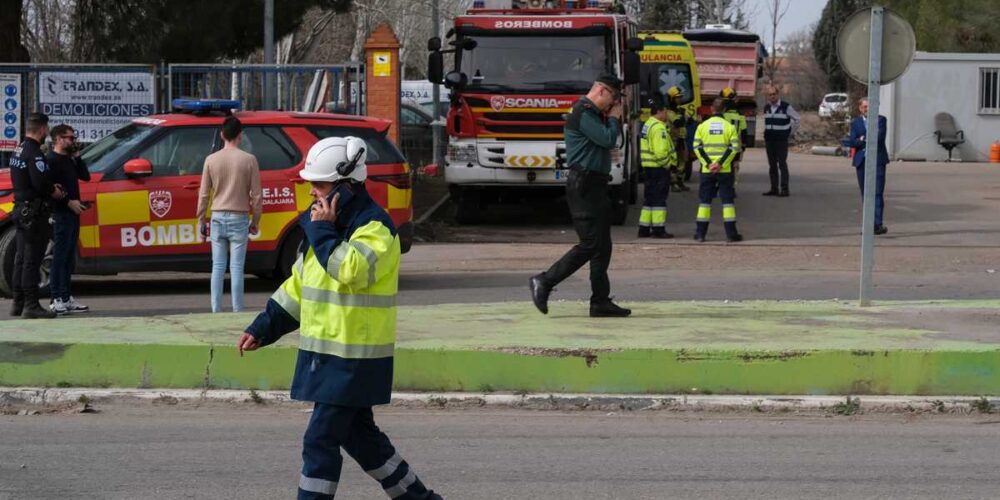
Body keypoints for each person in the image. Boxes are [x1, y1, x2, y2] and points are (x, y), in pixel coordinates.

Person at [237, 137, 443, 500]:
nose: (312, 193)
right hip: (331, 360)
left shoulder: (375, 228)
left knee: (319, 441)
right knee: (364, 442)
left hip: (354, 360)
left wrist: (321, 231)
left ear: (347, 186)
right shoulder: (323, 230)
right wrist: (264, 327)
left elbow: (351, 270)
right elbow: (299, 288)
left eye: (319, 185)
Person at [529, 74, 631, 318]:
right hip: (583, 185)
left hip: (595, 184)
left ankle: (600, 301)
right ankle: (544, 281)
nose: (613, 105)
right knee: (590, 243)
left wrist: (612, 118)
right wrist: (615, 119)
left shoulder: (593, 114)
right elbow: (608, 140)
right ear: (603, 91)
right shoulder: (582, 111)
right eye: (614, 99)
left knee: (602, 246)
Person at [196, 116, 262, 313]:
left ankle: (216, 310)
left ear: (222, 135)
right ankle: (237, 310)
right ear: (240, 136)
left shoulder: (211, 160)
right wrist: (255, 220)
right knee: (236, 269)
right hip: (240, 217)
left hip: (217, 216)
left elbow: (204, 194)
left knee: (217, 267)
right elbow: (256, 196)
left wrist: (201, 220)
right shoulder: (249, 160)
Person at [8, 112, 64, 319]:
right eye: (47, 129)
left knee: (21, 259)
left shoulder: (19, 149)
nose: (47, 132)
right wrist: (54, 191)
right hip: (34, 212)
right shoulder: (34, 152)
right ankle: (31, 305)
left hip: (21, 209)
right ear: (42, 129)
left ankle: (18, 303)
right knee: (32, 259)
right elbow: (39, 182)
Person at [46, 124, 90, 314]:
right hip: (61, 213)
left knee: (68, 258)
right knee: (60, 256)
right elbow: (50, 189)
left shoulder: (69, 159)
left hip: (73, 213)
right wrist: (67, 202)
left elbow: (86, 176)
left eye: (74, 137)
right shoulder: (52, 160)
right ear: (57, 139)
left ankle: (66, 296)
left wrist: (77, 156)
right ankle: (55, 298)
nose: (73, 141)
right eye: (69, 138)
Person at [693, 98, 743, 243]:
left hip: (707, 171)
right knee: (727, 202)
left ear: (711, 110)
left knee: (704, 202)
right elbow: (734, 148)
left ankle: (700, 234)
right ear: (724, 110)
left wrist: (709, 164)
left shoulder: (702, 127)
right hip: (725, 171)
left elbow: (697, 147)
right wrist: (720, 164)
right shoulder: (729, 127)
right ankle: (731, 235)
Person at [849, 98, 890, 235]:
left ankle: (877, 224)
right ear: (860, 108)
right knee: (865, 194)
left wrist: (862, 139)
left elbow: (878, 138)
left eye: (870, 106)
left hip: (877, 161)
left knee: (877, 193)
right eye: (865, 107)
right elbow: (852, 142)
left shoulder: (881, 120)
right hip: (861, 161)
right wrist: (861, 140)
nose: (867, 109)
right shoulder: (856, 123)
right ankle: (868, 224)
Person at [638, 97, 676, 239]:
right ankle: (659, 229)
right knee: (659, 199)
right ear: (659, 111)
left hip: (649, 168)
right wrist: (667, 164)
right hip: (658, 168)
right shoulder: (658, 128)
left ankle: (644, 228)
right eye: (665, 112)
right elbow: (660, 152)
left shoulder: (648, 124)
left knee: (649, 199)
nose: (667, 115)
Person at [762, 86, 800, 197]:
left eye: (774, 94)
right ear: (768, 96)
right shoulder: (767, 108)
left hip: (781, 141)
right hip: (770, 140)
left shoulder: (785, 107)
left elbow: (797, 119)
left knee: (782, 164)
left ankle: (784, 189)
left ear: (778, 95)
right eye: (770, 94)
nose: (772, 96)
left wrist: (789, 132)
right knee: (772, 165)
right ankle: (774, 188)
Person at [664, 86, 691, 192]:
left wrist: (683, 116)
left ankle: (680, 181)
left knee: (683, 161)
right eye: (677, 97)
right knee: (673, 163)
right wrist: (683, 117)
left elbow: (690, 121)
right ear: (671, 99)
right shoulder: (669, 111)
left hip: (681, 139)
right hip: (672, 140)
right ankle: (672, 184)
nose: (680, 99)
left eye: (680, 97)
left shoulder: (681, 110)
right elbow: (678, 123)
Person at [719, 88, 747, 189]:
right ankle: (732, 187)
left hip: (722, 145)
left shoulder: (721, 116)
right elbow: (744, 132)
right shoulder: (740, 116)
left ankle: (720, 186)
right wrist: (744, 146)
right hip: (736, 146)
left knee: (722, 164)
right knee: (734, 166)